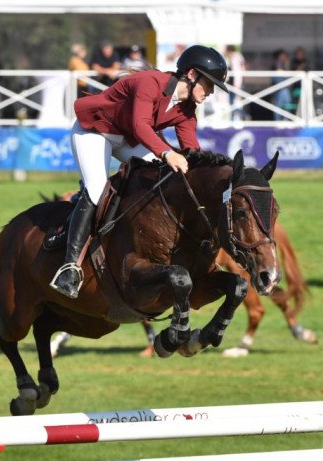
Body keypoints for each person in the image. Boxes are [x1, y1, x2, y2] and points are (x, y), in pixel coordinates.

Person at [50, 45, 229, 299]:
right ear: (191, 74)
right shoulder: (150, 82)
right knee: (97, 188)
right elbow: (141, 125)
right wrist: (167, 153)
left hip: (128, 139)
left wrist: (212, 175)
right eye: (209, 84)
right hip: (95, 131)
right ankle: (69, 267)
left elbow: (192, 152)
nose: (211, 92)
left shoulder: (187, 109)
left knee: (163, 176)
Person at [225, 45, 245, 120]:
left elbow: (238, 72)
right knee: (233, 103)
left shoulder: (236, 58)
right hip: (233, 84)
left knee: (236, 102)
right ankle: (235, 118)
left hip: (236, 84)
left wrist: (237, 85)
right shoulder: (233, 58)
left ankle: (243, 116)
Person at [271, 49, 292, 120]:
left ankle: (284, 121)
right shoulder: (278, 62)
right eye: (283, 55)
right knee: (281, 105)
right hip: (280, 88)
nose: (285, 57)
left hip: (282, 87)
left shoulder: (283, 63)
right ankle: (280, 122)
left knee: (285, 104)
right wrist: (289, 75)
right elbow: (279, 71)